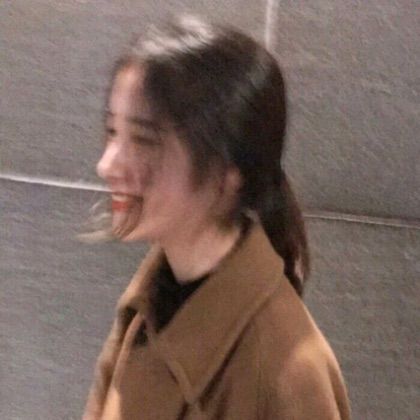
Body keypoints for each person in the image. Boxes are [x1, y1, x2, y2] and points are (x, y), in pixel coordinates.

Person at [82, 15, 350, 419]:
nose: (107, 165)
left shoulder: (287, 372)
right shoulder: (149, 306)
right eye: (112, 131)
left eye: (143, 140)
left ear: (227, 173)